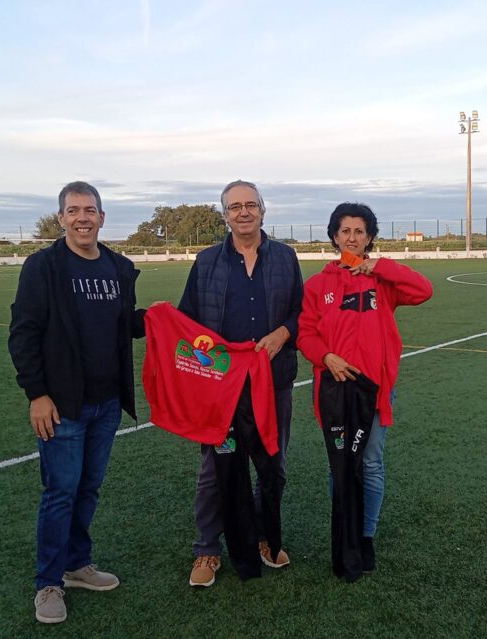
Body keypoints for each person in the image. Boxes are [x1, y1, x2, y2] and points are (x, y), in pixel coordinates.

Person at [8, 181, 146, 623]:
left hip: (106, 404)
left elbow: (124, 325)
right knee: (60, 493)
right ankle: (48, 583)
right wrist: (37, 395)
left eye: (90, 210)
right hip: (63, 405)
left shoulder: (118, 267)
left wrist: (163, 318)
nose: (82, 217)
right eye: (74, 210)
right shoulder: (44, 267)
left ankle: (76, 565)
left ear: (102, 218)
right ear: (61, 218)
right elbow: (24, 334)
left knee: (88, 488)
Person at [177, 179, 304, 587]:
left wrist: (284, 333)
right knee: (215, 471)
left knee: (273, 466)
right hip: (223, 393)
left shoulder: (286, 258)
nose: (244, 212)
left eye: (251, 205)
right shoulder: (207, 261)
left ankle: (265, 538)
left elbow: (304, 314)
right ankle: (207, 550)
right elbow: (187, 322)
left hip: (274, 385)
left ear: (263, 211)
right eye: (235, 207)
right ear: (225, 215)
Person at [297, 202, 432, 580]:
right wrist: (326, 357)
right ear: (334, 236)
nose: (352, 238)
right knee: (339, 466)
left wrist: (381, 266)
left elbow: (424, 290)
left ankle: (366, 535)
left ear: (370, 237)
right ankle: (346, 535)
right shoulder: (318, 285)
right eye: (345, 231)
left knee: (370, 462)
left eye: (360, 231)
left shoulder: (383, 281)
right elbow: (305, 333)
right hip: (334, 386)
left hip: (373, 389)